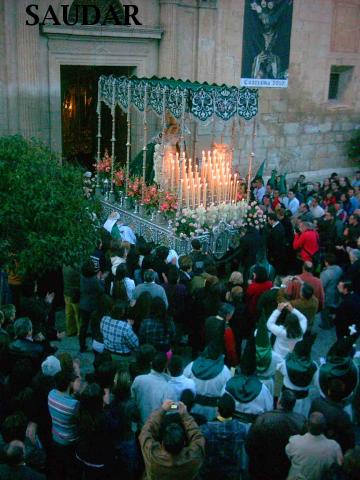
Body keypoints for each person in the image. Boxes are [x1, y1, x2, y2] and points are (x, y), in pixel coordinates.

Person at [246, 390, 307, 480]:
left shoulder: (262, 419)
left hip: (262, 467)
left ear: (278, 402)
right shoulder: (301, 421)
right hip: (284, 468)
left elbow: (249, 445)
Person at [139, 399, 205, 480]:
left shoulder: (153, 455)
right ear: (184, 444)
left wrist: (162, 410)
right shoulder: (194, 456)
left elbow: (146, 432)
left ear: (162, 443)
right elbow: (197, 435)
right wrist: (185, 415)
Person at [223, 338, 273, 425]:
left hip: (231, 426)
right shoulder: (263, 390)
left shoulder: (228, 385)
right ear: (255, 368)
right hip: (253, 429)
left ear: (241, 367)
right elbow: (268, 411)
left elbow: (222, 404)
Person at [199, 394, 246, 480]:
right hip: (231, 473)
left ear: (217, 410)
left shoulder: (205, 429)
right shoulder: (241, 429)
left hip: (210, 473)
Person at [286, 412, 343, 480]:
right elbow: (340, 464)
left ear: (308, 425)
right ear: (324, 427)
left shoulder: (294, 441)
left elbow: (288, 454)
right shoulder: (334, 447)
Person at [48, 368, 81, 480]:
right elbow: (79, 420)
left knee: (58, 465)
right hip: (69, 441)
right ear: (69, 384)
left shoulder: (51, 394)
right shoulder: (74, 404)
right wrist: (77, 392)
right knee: (70, 467)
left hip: (55, 437)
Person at [183, 345, 232, 421]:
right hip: (213, 412)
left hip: (193, 408)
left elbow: (183, 384)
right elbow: (226, 395)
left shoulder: (192, 365)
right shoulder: (225, 371)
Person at [309, 378, 356, 454]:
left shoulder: (316, 402)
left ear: (329, 391)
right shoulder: (343, 416)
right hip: (332, 449)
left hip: (314, 441)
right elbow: (350, 441)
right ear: (343, 395)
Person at [277, 333, 318, 417]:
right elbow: (314, 382)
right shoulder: (314, 366)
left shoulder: (285, 363)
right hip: (302, 400)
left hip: (285, 397)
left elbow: (278, 369)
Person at [131, 352, 176, 425]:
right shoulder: (168, 388)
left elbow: (133, 398)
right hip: (156, 428)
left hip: (141, 425)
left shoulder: (138, 380)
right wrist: (178, 406)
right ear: (166, 366)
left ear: (151, 364)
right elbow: (172, 408)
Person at [100, 301, 139, 367]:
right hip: (123, 357)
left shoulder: (104, 319)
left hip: (107, 353)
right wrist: (129, 326)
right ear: (123, 313)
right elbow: (135, 344)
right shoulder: (126, 327)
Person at [79, 260, 104, 352]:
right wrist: (101, 280)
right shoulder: (94, 280)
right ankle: (95, 347)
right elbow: (101, 290)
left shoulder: (82, 276)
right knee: (94, 328)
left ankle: (82, 346)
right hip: (93, 306)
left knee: (83, 327)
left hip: (83, 304)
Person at [320, 253, 343, 329]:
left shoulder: (326, 273)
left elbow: (321, 286)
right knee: (332, 310)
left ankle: (326, 325)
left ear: (326, 262)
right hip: (336, 293)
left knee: (325, 311)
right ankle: (332, 322)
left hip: (327, 296)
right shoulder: (339, 269)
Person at [62, 264, 80, 337]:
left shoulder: (64, 267)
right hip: (75, 295)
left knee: (68, 313)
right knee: (78, 314)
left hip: (66, 293)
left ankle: (70, 331)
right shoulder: (76, 269)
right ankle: (80, 332)